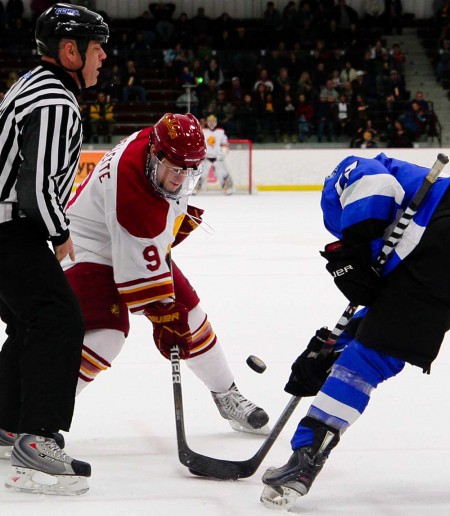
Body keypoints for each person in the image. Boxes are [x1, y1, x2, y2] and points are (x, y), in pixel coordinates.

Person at [261, 152, 450, 510]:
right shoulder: (409, 237)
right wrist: (333, 350)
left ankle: (305, 458)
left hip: (442, 232)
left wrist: (358, 245)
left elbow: (373, 183)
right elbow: (393, 315)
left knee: (369, 360)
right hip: (437, 251)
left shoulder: (348, 177)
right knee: (371, 348)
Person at [61, 113, 269, 438]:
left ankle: (226, 394)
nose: (180, 179)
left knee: (193, 318)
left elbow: (149, 235)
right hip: (86, 247)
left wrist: (172, 317)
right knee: (107, 335)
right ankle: (37, 414)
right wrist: (163, 316)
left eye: (190, 170)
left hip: (124, 235)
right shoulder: (133, 193)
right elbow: (140, 277)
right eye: (175, 169)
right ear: (156, 155)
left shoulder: (159, 144)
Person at [0, 3, 108, 495]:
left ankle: (5, 423)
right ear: (70, 51)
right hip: (8, 229)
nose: (103, 56)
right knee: (60, 318)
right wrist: (61, 235)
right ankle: (38, 440)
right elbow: (37, 188)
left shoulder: (30, 85)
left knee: (29, 321)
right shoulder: (54, 101)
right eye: (96, 46)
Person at [197, 114, 235, 195]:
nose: (211, 123)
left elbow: (225, 144)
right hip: (206, 158)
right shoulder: (203, 131)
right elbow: (199, 144)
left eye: (213, 122)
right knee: (200, 174)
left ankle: (227, 188)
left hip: (217, 158)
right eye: (210, 122)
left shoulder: (221, 132)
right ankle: (195, 188)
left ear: (216, 122)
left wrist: (223, 152)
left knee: (223, 173)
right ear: (207, 122)